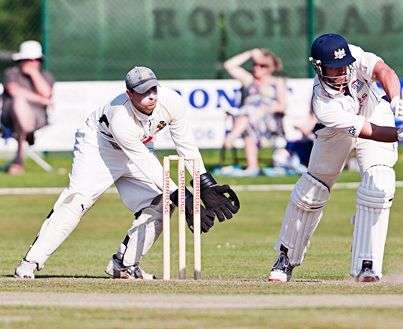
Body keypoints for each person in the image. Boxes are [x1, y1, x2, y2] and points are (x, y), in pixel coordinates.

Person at [14, 66, 240, 279]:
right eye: (143, 92)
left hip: (140, 145)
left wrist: (204, 185)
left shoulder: (171, 101)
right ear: (130, 94)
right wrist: (185, 196)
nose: (151, 96)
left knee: (162, 201)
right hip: (100, 146)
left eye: (153, 89)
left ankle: (125, 265)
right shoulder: (120, 116)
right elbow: (147, 165)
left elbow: (186, 146)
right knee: (78, 200)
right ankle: (29, 263)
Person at [267, 33, 403, 283]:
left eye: (343, 66)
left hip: (376, 113)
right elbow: (367, 131)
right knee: (310, 192)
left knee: (379, 182)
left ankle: (367, 264)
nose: (342, 73)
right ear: (319, 69)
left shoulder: (353, 55)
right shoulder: (323, 104)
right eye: (334, 69)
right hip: (339, 131)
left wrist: (396, 103)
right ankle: (286, 257)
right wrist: (401, 134)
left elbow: (384, 71)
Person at [221, 48, 287, 176]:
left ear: (270, 68)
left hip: (269, 121)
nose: (257, 68)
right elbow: (228, 65)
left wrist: (266, 108)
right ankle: (252, 167)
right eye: (255, 64)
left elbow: (282, 106)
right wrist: (250, 53)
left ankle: (232, 137)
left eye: (262, 65)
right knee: (248, 117)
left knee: (248, 113)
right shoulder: (249, 80)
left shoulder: (277, 82)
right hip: (250, 122)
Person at [1, 40, 54, 175]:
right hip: (10, 117)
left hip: (36, 119)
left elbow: (47, 92)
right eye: (28, 60)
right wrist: (41, 99)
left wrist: (34, 74)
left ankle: (18, 161)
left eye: (36, 60)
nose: (32, 63)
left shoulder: (45, 76)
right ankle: (25, 140)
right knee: (19, 102)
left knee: (21, 109)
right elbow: (14, 91)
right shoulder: (11, 73)